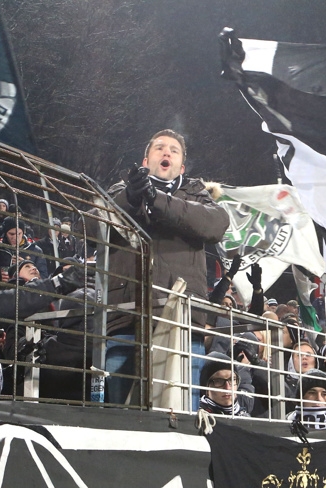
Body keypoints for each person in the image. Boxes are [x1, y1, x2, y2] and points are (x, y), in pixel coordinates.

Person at [100, 129, 228, 405]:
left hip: (182, 321)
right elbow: (88, 227)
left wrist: (156, 199)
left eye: (173, 149)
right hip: (126, 320)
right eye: (159, 147)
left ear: (182, 166)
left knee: (178, 413)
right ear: (145, 161)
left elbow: (215, 224)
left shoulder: (195, 193)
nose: (166, 151)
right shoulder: (121, 191)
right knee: (120, 415)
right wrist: (132, 199)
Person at [198, 351, 252, 416]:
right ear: (206, 388)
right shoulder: (197, 417)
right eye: (219, 381)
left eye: (232, 379)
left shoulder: (245, 417)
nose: (227, 387)